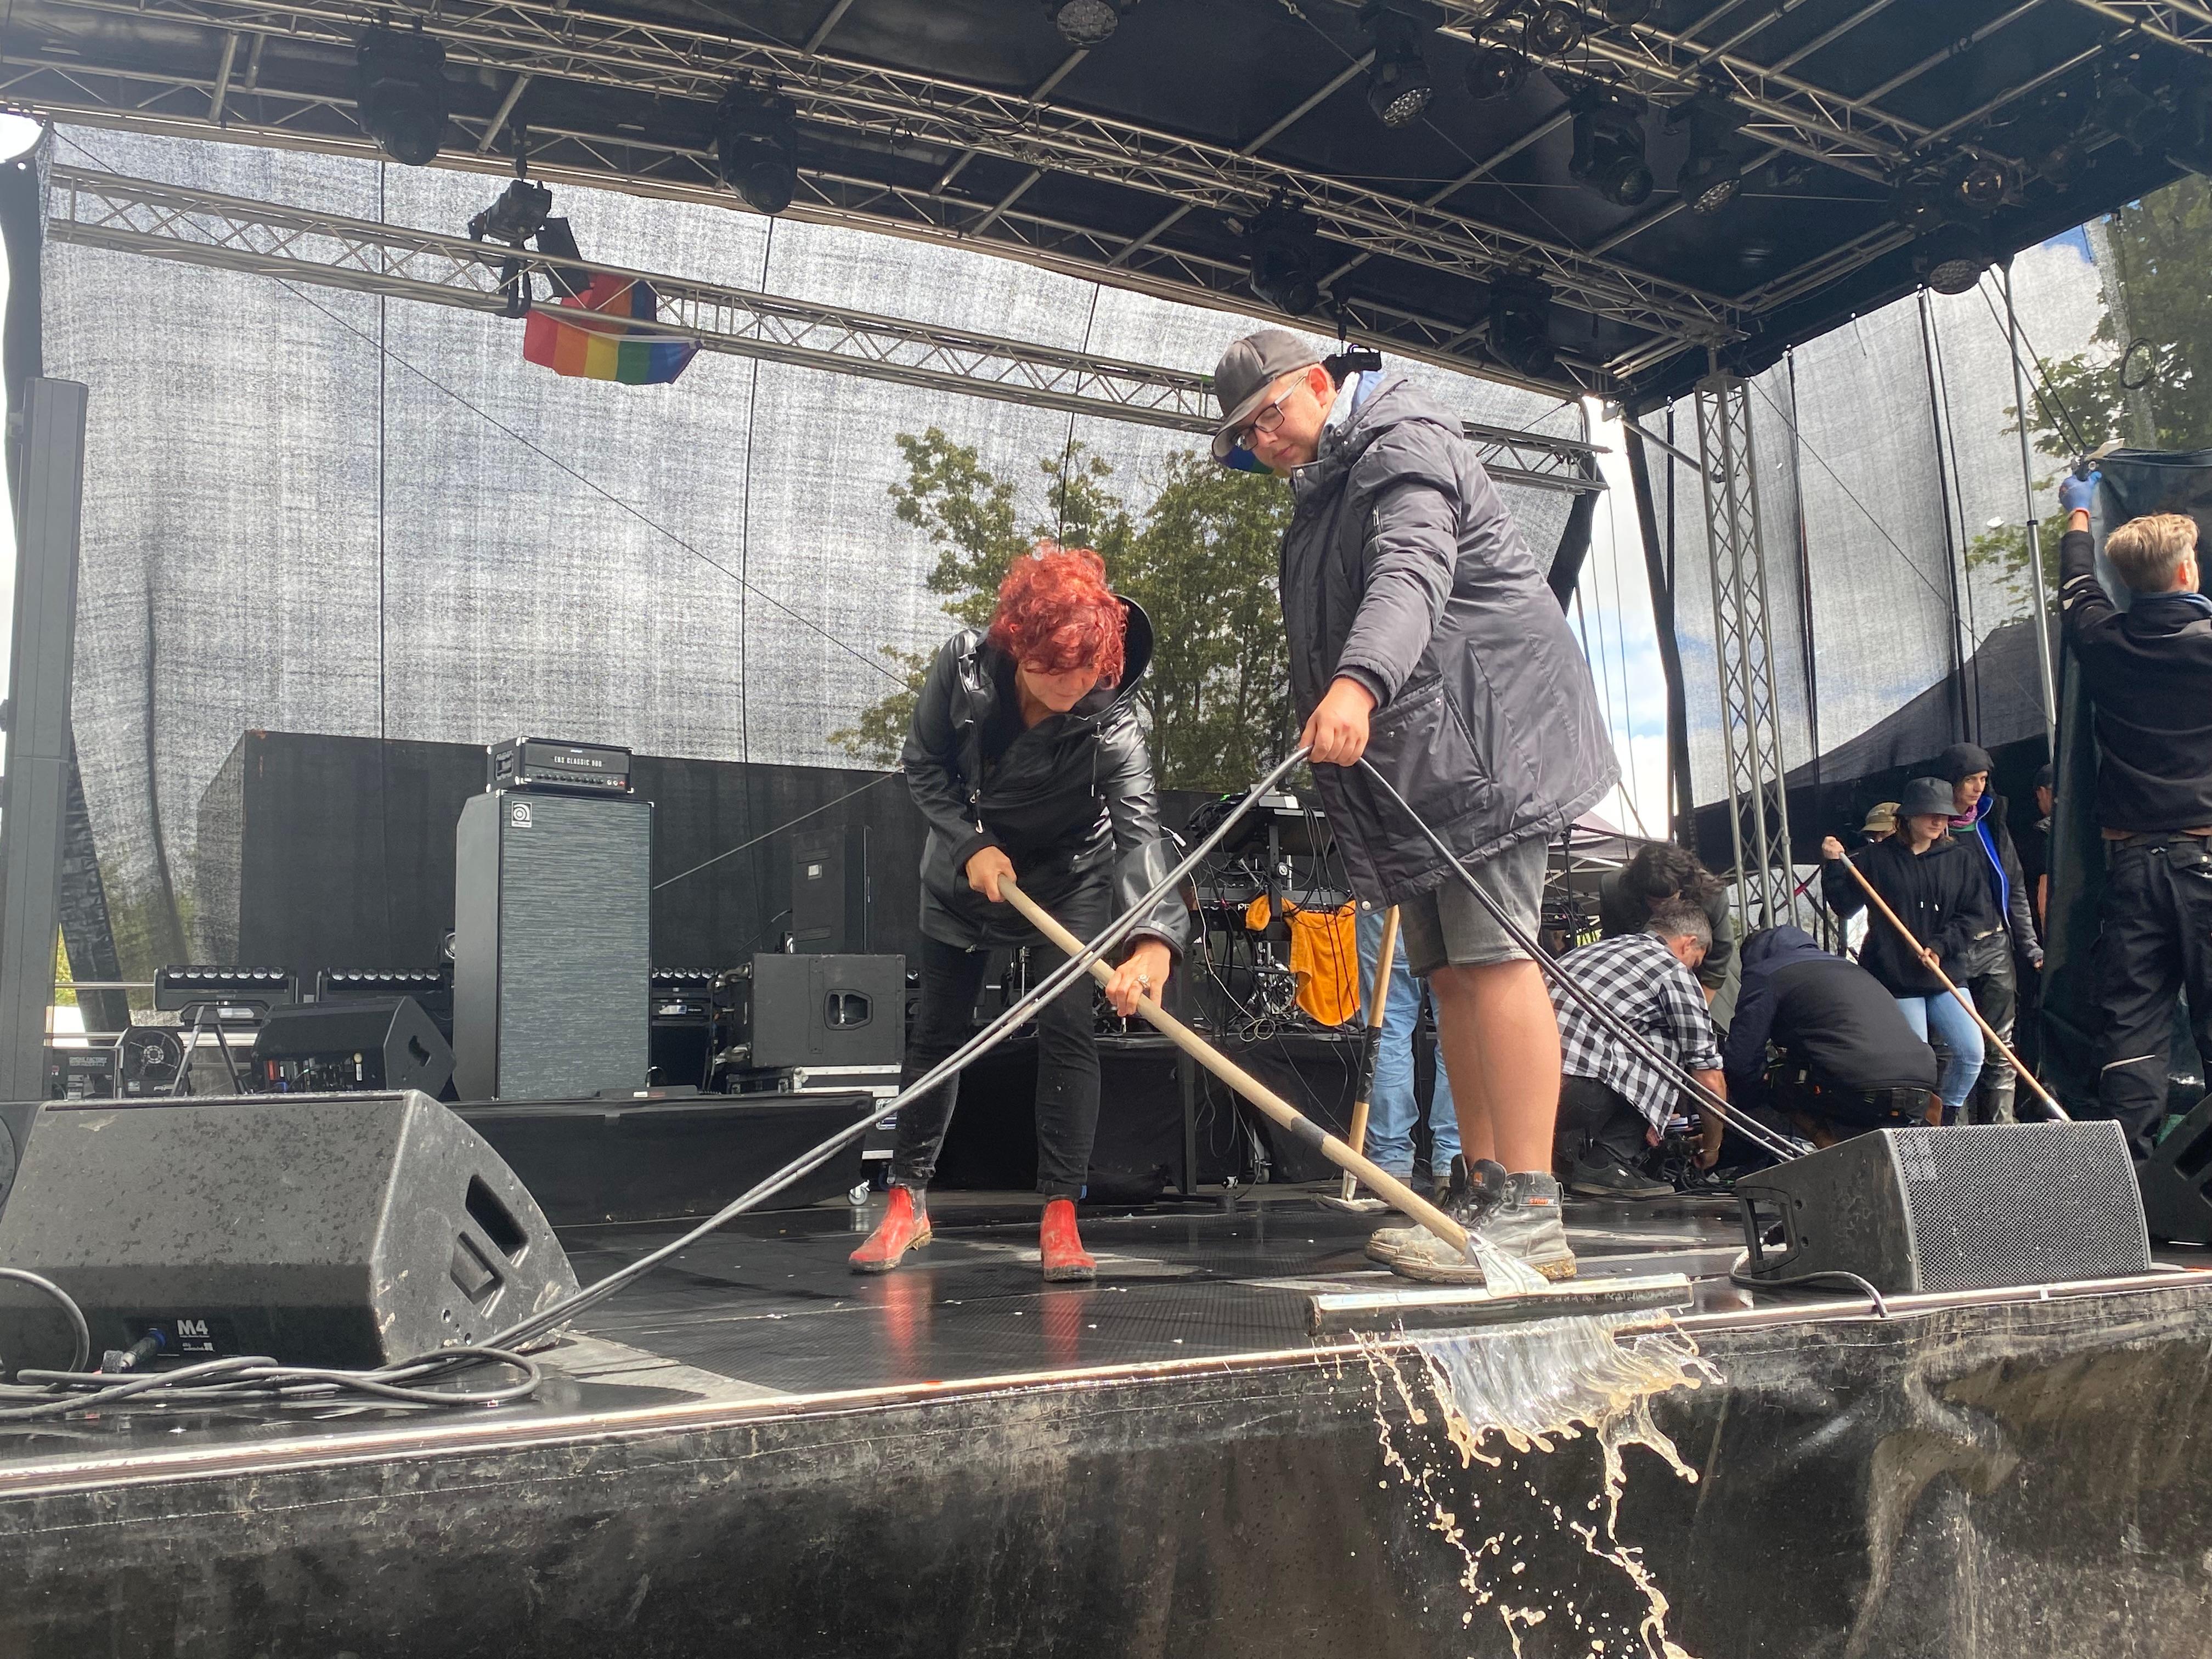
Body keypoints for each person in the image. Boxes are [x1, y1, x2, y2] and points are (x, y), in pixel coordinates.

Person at [1209, 329, 1616, 1284]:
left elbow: (1410, 572)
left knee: (1495, 961)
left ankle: (1530, 1204)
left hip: (1488, 745)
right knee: (1446, 978)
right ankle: (1483, 1196)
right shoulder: (1323, 491)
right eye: (1243, 434)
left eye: (1269, 414)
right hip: (1426, 760)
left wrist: (1356, 683)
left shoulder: (1400, 443)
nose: (1262, 441)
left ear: (1316, 383)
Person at [851, 544, 1191, 1280]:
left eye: (1084, 674)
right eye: (1050, 672)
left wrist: (1154, 941)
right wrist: (971, 842)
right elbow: (924, 763)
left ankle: (1061, 1212)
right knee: (938, 1034)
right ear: (1018, 646)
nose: (1069, 689)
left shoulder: (1113, 722)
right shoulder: (963, 667)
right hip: (965, 873)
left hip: (1068, 881)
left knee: (1069, 1031)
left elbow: (1139, 832)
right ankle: (907, 1202)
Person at [2056, 472, 2212, 1158]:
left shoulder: (2103, 638)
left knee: (2132, 1034)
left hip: (2132, 873)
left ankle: (2129, 1202)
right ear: (2186, 568)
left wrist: (2079, 513)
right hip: (2205, 862)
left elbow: (2076, 589)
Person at [1819, 776, 1997, 1124]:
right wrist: (1832, 865)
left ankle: (1945, 1115)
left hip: (1944, 971)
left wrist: (1939, 945)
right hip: (1895, 974)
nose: (1938, 822)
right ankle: (1915, 1124)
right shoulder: (1875, 859)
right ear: (1908, 817)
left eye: (1944, 816)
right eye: (1930, 814)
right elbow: (1844, 905)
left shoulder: (1961, 859)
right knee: (1916, 1065)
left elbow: (1976, 915)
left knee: (1972, 1052)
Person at [1545, 899, 1726, 1200]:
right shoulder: (1672, 971)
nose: (1694, 970)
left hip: (1524, 1085)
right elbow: (1709, 1074)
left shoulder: (1590, 952)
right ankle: (1608, 1160)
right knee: (1673, 1041)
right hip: (1573, 1089)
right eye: (1696, 961)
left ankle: (1563, 1157)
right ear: (1689, 943)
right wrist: (1712, 1146)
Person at [1723, 926, 1939, 1143]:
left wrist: (1746, 1103)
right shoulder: (1850, 969)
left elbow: (1741, 1058)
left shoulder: (1765, 973)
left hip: (1856, 1087)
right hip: (1921, 1087)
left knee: (1776, 1079)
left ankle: (1827, 1150)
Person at [1935, 741, 2041, 1124]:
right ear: (1950, 782)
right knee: (1955, 1050)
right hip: (1949, 954)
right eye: (1970, 780)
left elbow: (2013, 885)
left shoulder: (1990, 822)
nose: (1978, 788)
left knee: (2001, 1048)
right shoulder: (1932, 828)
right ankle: (1956, 1137)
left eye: (1983, 779)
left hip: (1996, 945)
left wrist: (2029, 945)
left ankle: (2004, 1135)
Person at [1354, 906, 1460, 1199]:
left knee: (1387, 1029)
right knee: (1457, 1027)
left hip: (1389, 880)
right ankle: (1454, 1165)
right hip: (1453, 878)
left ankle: (1391, 1168)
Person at [1598, 842, 1734, 1011]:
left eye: (1670, 900)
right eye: (1655, 902)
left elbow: (1717, 965)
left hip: (1698, 981)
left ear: (1684, 887)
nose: (1663, 908)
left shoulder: (1712, 895)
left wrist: (1698, 1013)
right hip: (1635, 980)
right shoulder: (1613, 891)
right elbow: (1611, 947)